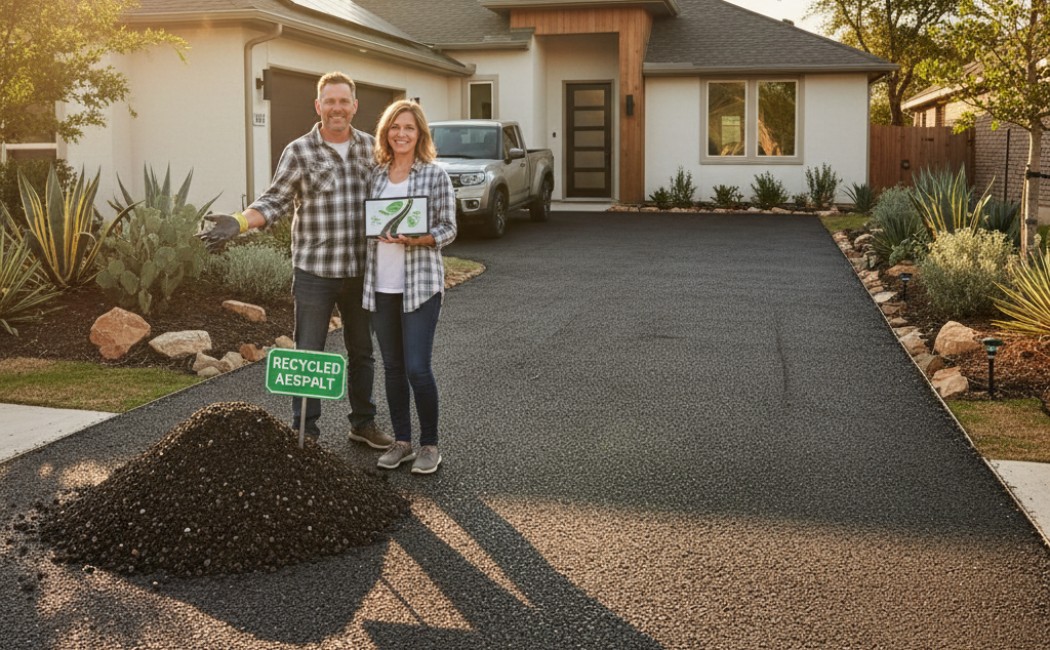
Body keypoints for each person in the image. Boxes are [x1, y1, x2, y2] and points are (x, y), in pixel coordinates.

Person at [198, 71, 392, 450]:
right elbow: (275, 201)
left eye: (343, 101)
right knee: (308, 355)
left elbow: (391, 198)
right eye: (329, 101)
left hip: (360, 271)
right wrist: (238, 222)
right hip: (315, 273)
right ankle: (306, 433)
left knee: (363, 352)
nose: (337, 108)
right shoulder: (300, 150)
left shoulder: (372, 149)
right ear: (318, 106)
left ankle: (363, 424)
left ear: (355, 106)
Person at [366, 100, 456, 474]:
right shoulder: (376, 176)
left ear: (420, 134)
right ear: (386, 132)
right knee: (392, 367)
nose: (401, 134)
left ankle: (429, 445)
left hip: (419, 286)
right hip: (382, 286)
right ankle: (402, 441)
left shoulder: (435, 176)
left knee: (418, 368)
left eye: (409, 128)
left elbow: (449, 228)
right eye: (394, 127)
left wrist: (421, 239)